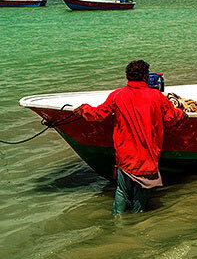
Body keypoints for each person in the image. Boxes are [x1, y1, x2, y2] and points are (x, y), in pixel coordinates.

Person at [73, 60, 185, 215]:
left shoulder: (117, 95)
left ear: (127, 76)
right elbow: (171, 118)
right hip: (147, 155)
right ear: (146, 76)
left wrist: (84, 109)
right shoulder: (157, 97)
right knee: (142, 192)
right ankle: (137, 223)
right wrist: (181, 112)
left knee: (122, 191)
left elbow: (98, 115)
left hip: (125, 155)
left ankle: (117, 221)